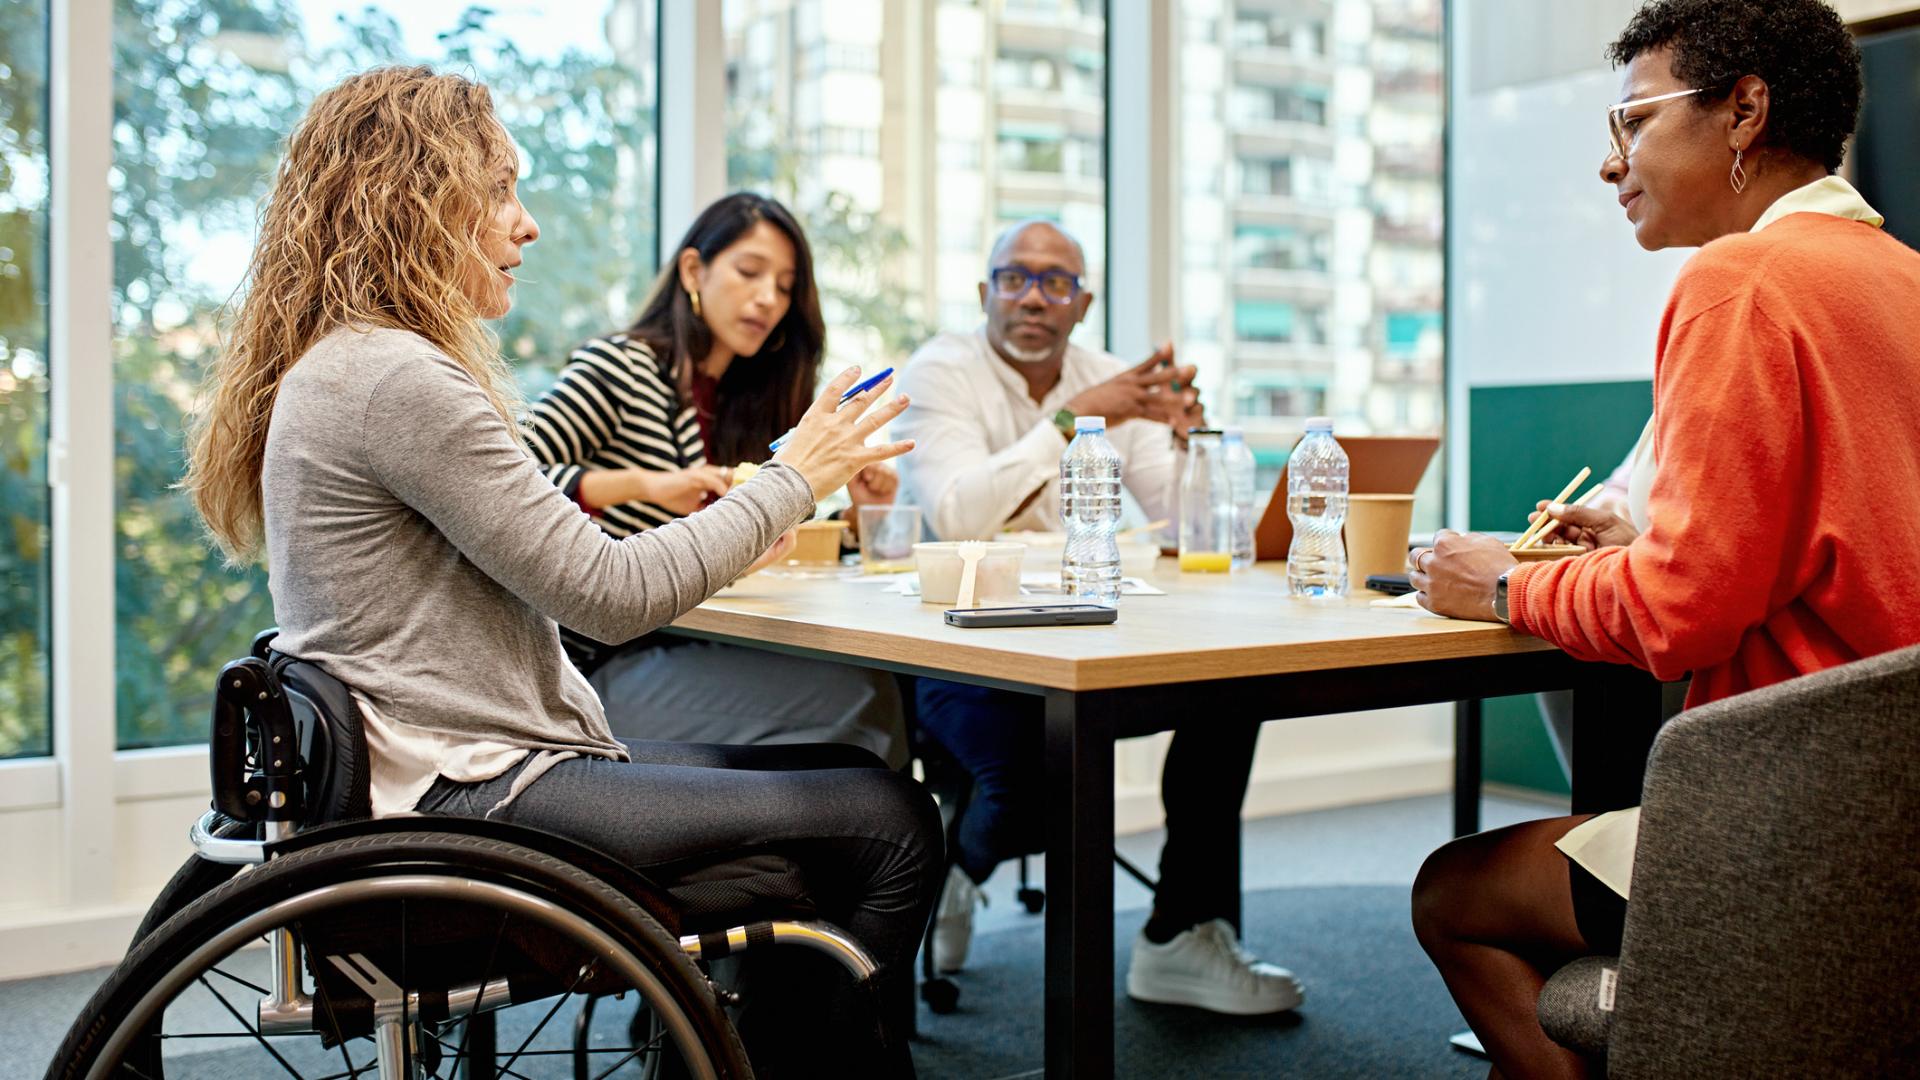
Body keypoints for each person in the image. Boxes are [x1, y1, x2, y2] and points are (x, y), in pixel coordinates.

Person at [180, 66, 941, 1076]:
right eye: (499, 189)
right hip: (467, 793)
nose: (526, 222)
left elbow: (573, 569)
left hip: (448, 769)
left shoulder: (349, 362)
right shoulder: (395, 378)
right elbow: (611, 597)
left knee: (844, 781)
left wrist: (762, 498)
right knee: (890, 821)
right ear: (414, 200)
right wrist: (793, 476)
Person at [1404, 3, 1920, 1076]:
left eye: (1632, 121)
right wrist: (1635, 545)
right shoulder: (1903, 279)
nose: (1612, 162)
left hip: (1793, 829)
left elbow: (1678, 615)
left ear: (1744, 112)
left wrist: (1501, 586)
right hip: (1896, 824)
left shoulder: (1740, 281)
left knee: (1450, 893)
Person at [893, 219, 1305, 1016]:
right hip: (965, 648)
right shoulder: (942, 371)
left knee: (1233, 687)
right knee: (1030, 794)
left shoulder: (1113, 378)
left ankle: (1179, 935)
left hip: (1094, 633)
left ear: (1082, 304)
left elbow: (1185, 530)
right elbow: (956, 514)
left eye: (1056, 282)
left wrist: (1188, 444)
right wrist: (1072, 420)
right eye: (1015, 278)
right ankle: (955, 871)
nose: (1033, 297)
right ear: (984, 293)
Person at [524, 193, 908, 768]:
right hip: (585, 665)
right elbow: (506, 478)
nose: (768, 298)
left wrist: (858, 513)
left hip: (692, 641)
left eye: (785, 287)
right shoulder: (621, 367)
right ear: (693, 270)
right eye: (750, 272)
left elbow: (777, 535)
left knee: (872, 686)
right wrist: (646, 484)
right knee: (860, 700)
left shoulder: (752, 401)